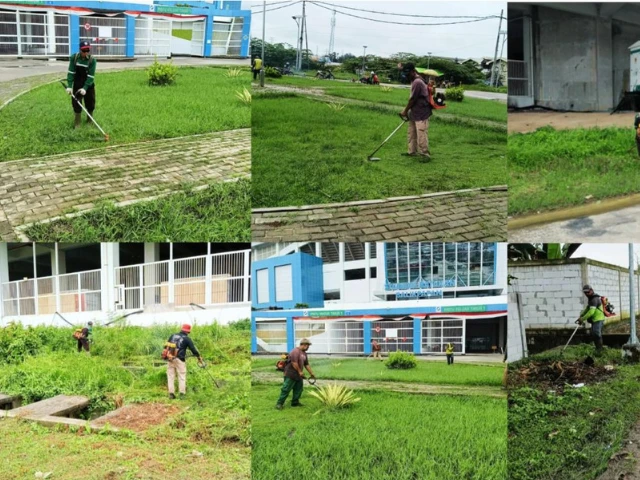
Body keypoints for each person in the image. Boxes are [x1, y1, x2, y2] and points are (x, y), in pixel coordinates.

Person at [400, 63, 432, 161]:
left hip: (422, 112)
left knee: (421, 133)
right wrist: (409, 111)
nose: (407, 76)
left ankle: (425, 155)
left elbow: (413, 99)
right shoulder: (414, 81)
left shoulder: (417, 82)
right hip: (414, 111)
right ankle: (412, 151)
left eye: (408, 74)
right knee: (411, 132)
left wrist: (405, 111)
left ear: (413, 71)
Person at [276, 338, 316, 410]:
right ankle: (279, 403)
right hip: (290, 374)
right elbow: (294, 363)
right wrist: (300, 372)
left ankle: (295, 402)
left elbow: (306, 364)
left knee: (298, 389)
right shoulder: (295, 351)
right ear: (303, 345)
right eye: (308, 346)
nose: (308, 347)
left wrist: (311, 373)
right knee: (286, 389)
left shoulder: (304, 353)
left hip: (298, 375)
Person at [166, 324, 204, 399]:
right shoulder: (187, 339)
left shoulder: (172, 336)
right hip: (180, 359)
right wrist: (199, 357)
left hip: (170, 358)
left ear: (181, 329)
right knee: (182, 376)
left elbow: (166, 347)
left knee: (170, 376)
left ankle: (171, 394)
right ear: (188, 332)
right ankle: (182, 394)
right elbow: (193, 350)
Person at [66, 41, 97, 129]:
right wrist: (69, 86)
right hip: (77, 83)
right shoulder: (74, 58)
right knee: (76, 103)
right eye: (84, 50)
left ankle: (89, 121)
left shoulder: (92, 60)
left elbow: (91, 76)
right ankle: (77, 123)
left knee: (90, 102)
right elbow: (71, 72)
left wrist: (85, 88)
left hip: (88, 84)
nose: (86, 52)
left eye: (88, 50)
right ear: (80, 50)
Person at [577, 284, 606, 353]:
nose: (587, 294)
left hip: (599, 319)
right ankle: (597, 348)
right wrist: (581, 315)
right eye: (585, 292)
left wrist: (582, 319)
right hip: (594, 320)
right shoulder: (590, 299)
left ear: (591, 290)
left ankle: (599, 349)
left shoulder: (594, 299)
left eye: (588, 292)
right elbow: (588, 308)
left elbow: (591, 312)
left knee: (596, 333)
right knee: (594, 334)